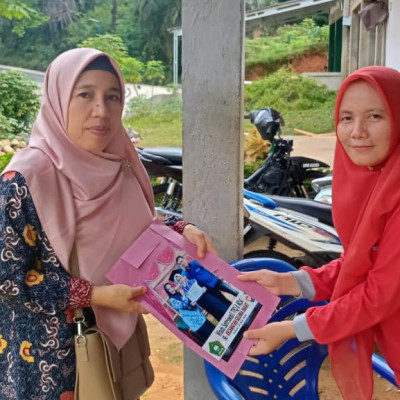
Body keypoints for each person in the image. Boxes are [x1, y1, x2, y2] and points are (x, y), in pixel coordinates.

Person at [0, 48, 216, 399]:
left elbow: (136, 228)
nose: (102, 110)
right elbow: (7, 280)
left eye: (112, 97)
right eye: (85, 94)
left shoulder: (119, 165)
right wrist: (96, 295)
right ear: (58, 99)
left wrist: (179, 231)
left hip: (114, 353)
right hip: (47, 364)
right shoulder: (24, 180)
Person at [238, 66, 400, 400]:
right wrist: (291, 282)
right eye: (346, 118)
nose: (357, 132)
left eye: (374, 116)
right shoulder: (380, 180)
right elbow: (365, 260)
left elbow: (379, 294)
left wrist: (291, 329)